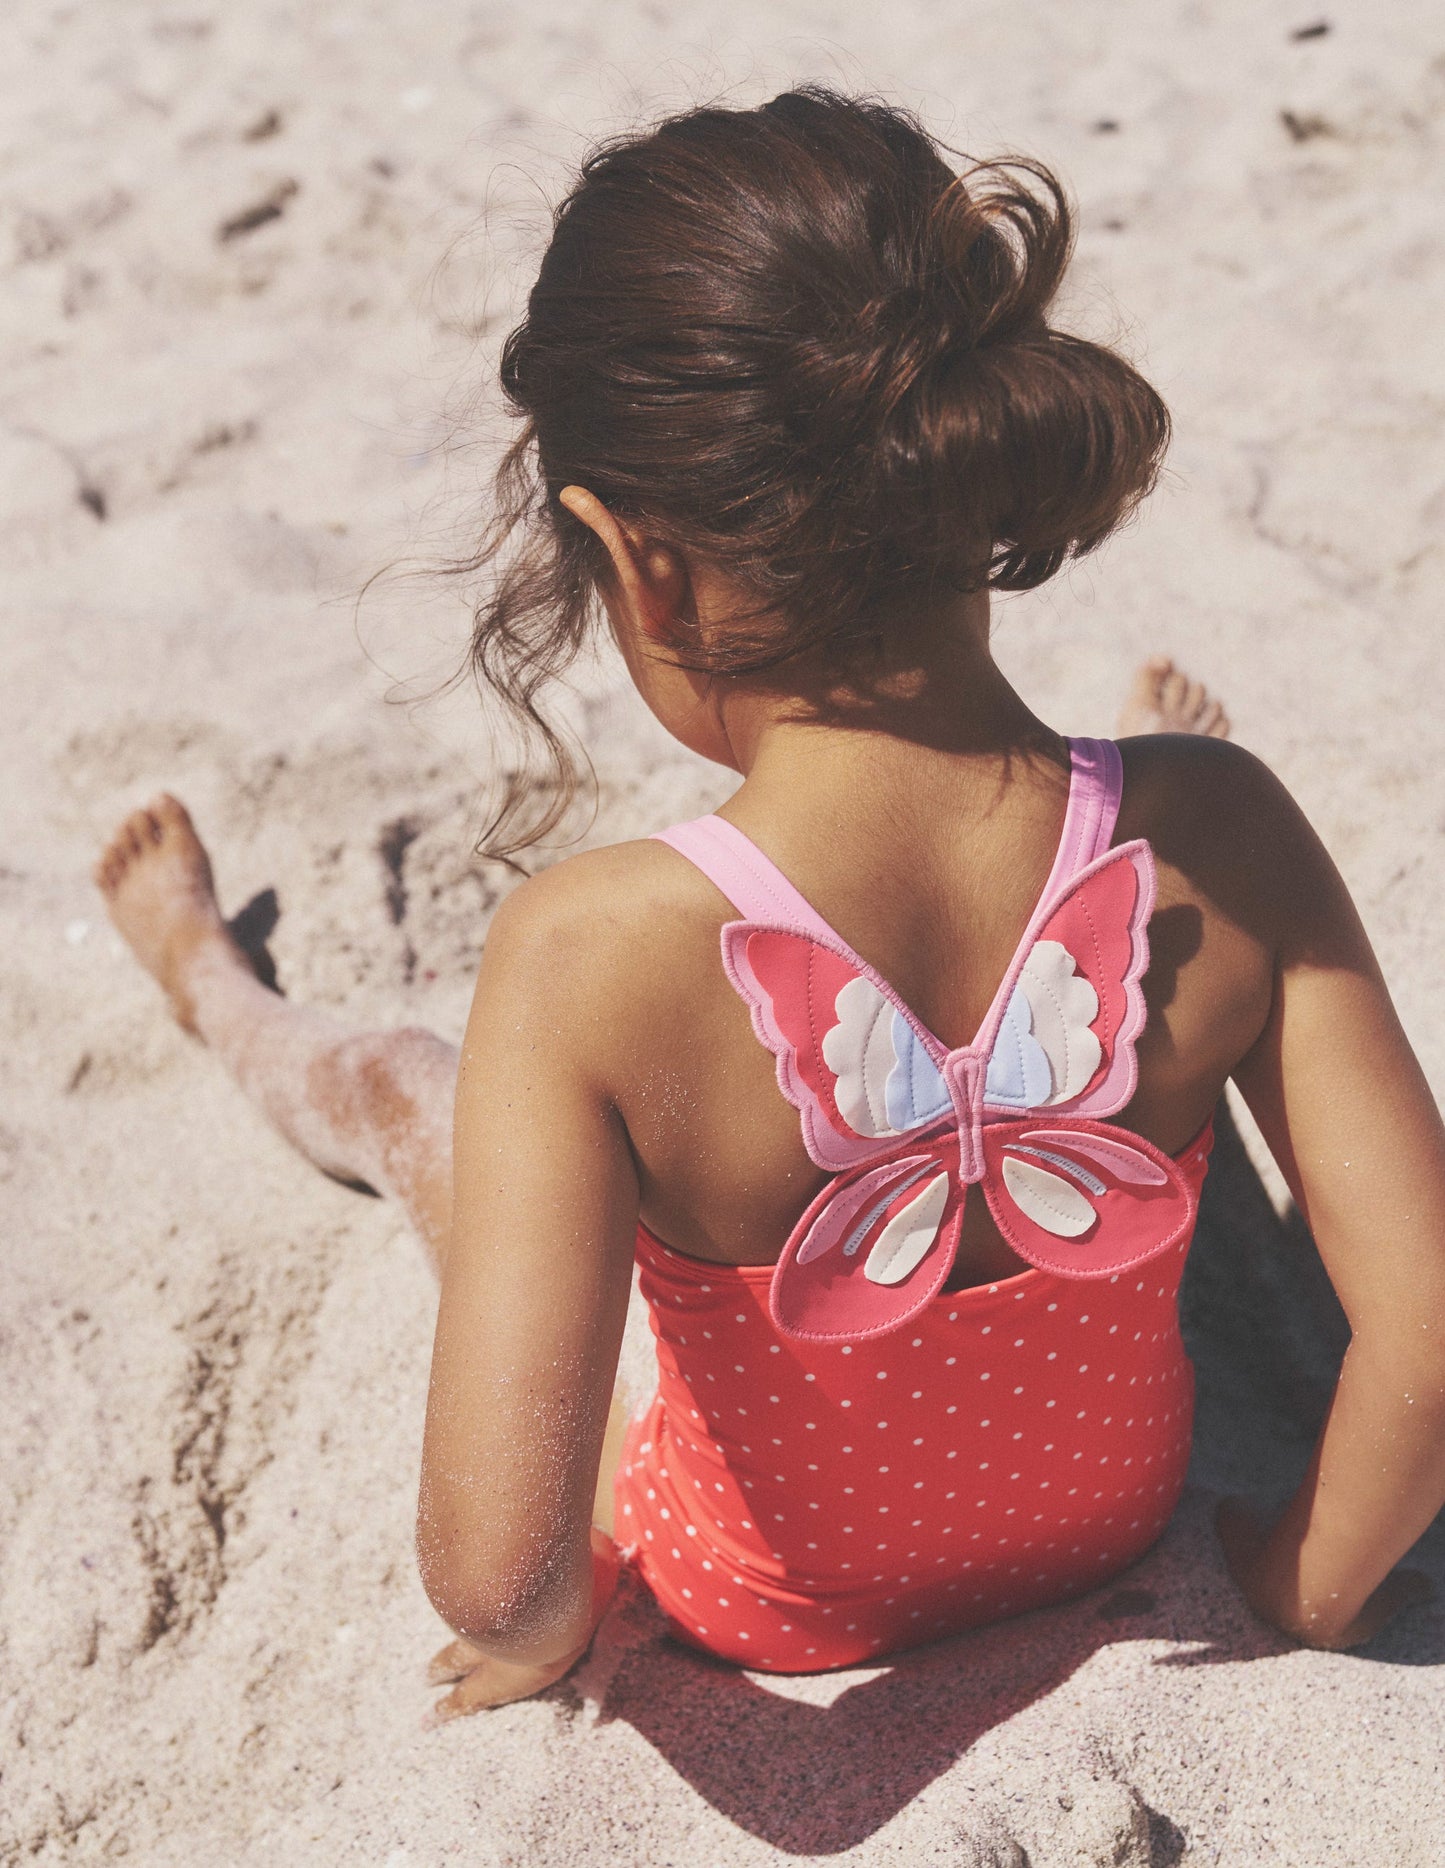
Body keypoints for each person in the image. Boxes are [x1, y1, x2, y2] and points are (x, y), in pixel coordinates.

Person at [96, 89, 1443, 1725]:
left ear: (631, 561)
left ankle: (211, 982)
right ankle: (1100, 844)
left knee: (404, 1089)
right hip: (1111, 1520)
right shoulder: (1226, 831)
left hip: (773, 1609)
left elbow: (501, 1571)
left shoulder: (589, 953)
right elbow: (1428, 1344)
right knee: (1180, 989)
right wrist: (1304, 1581)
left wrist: (544, 1633)